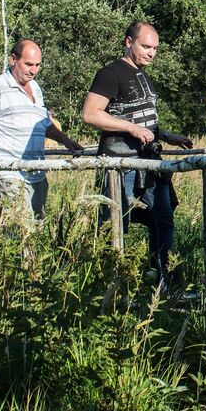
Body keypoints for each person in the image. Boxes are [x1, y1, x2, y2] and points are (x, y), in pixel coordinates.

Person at [82, 22, 193, 284]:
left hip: (150, 161)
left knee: (163, 218)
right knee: (115, 222)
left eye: (155, 48)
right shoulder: (110, 73)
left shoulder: (143, 75)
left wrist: (165, 135)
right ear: (128, 42)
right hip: (121, 162)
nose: (151, 53)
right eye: (146, 46)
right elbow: (91, 114)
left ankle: (165, 279)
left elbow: (143, 120)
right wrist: (130, 128)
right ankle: (109, 282)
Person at [0, 40, 83, 221]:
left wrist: (66, 141)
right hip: (7, 173)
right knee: (18, 232)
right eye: (28, 64)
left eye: (37, 65)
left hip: (36, 173)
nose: (33, 70)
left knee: (36, 230)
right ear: (13, 59)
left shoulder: (35, 88)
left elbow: (43, 123)